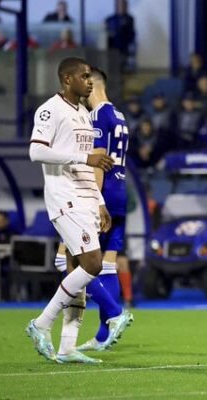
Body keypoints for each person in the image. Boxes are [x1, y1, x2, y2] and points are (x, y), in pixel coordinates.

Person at [25, 57, 126, 363]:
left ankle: (68, 346)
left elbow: (88, 162)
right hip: (63, 197)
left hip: (85, 199)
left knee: (75, 270)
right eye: (84, 76)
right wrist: (85, 160)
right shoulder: (49, 109)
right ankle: (41, 324)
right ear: (67, 79)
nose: (89, 81)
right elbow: (36, 151)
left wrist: (99, 201)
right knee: (93, 263)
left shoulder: (84, 113)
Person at [75, 67, 134, 351]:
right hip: (121, 192)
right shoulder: (120, 115)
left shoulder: (96, 116)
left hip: (104, 194)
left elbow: (98, 161)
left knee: (78, 263)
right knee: (108, 264)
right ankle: (102, 336)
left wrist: (94, 201)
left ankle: (115, 312)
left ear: (93, 85)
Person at [105, 0, 136, 69]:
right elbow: (107, 32)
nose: (121, 7)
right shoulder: (110, 19)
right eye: (120, 5)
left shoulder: (129, 19)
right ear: (116, 6)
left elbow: (131, 33)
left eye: (123, 5)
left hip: (124, 47)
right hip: (112, 47)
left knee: (122, 64)